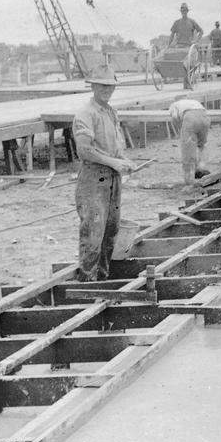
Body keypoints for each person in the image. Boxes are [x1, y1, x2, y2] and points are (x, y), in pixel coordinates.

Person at [72, 65, 136, 282]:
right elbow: (84, 150)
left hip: (113, 178)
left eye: (110, 86)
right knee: (93, 233)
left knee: (110, 231)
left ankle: (103, 280)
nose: (106, 90)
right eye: (102, 85)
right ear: (93, 86)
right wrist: (113, 163)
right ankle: (88, 283)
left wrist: (122, 160)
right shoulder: (86, 113)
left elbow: (115, 145)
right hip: (93, 178)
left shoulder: (110, 112)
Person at [169, 97, 211, 187]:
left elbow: (175, 116)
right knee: (202, 145)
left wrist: (180, 130)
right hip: (205, 116)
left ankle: (189, 181)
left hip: (190, 118)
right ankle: (201, 168)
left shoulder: (173, 106)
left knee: (187, 150)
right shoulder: (192, 102)